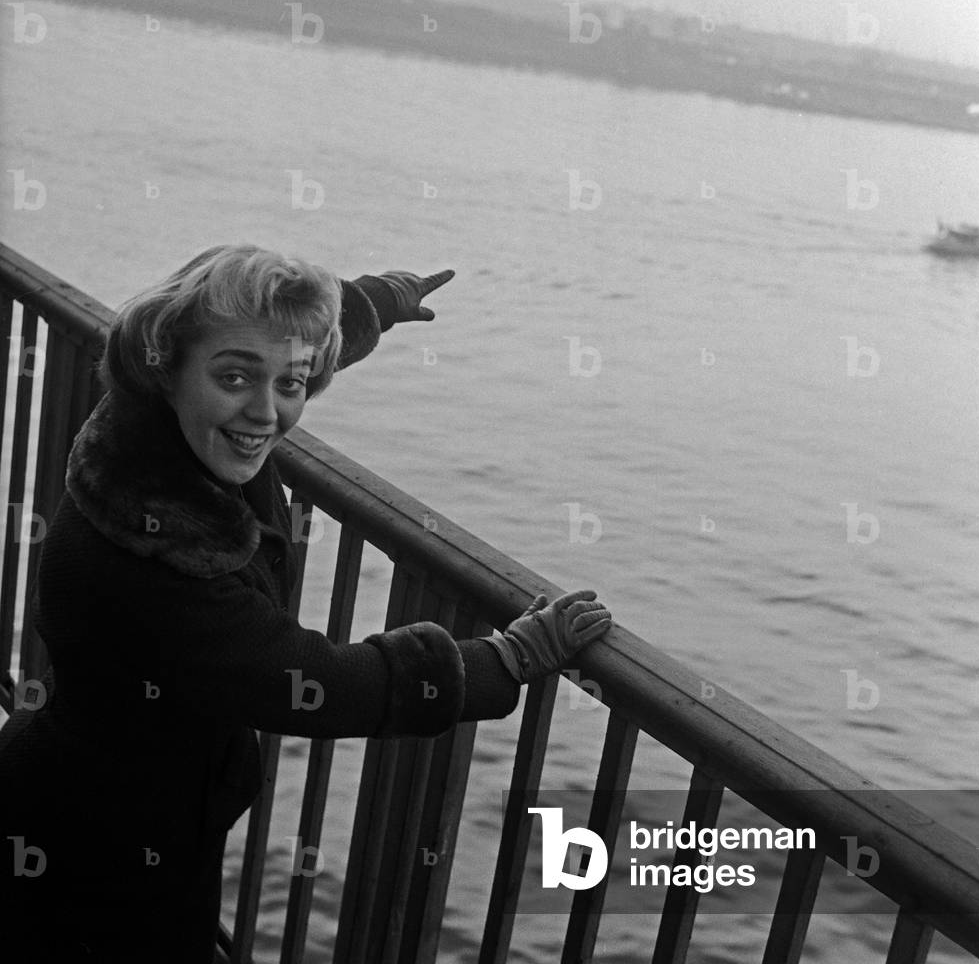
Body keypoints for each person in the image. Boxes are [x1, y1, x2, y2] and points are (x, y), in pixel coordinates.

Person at [0, 245, 614, 961]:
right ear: (166, 366)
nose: (266, 412)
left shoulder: (145, 423)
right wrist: (505, 659)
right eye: (235, 378)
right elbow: (314, 681)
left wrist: (377, 301)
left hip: (130, 809)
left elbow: (278, 347)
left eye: (291, 384)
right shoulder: (156, 549)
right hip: (89, 854)